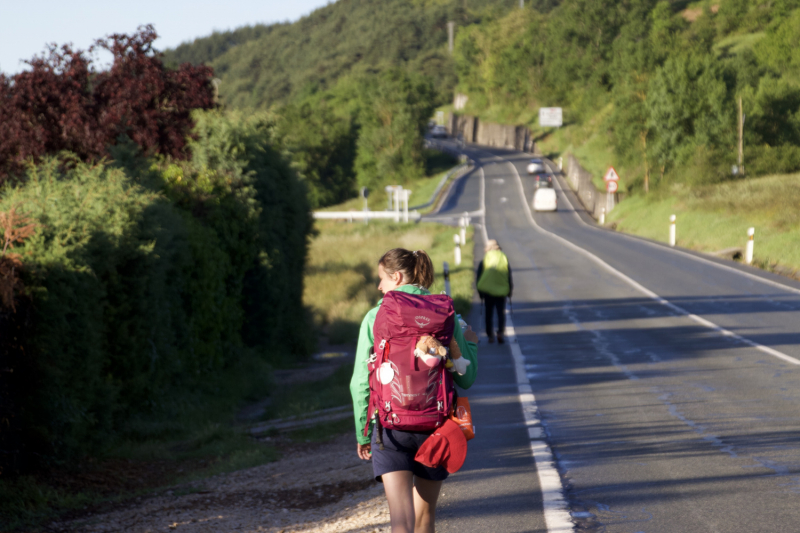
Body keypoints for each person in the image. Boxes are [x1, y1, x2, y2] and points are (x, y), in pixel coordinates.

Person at [350, 248, 478, 533]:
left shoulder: (375, 316)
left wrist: (363, 432)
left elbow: (360, 381)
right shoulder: (445, 312)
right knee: (424, 518)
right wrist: (471, 341)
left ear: (396, 276)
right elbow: (466, 377)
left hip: (390, 427)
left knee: (401, 521)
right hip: (436, 425)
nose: (379, 286)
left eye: (381, 279)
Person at [476, 239, 513, 344]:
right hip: (501, 290)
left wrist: (480, 292)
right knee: (500, 312)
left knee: (488, 313)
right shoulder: (503, 257)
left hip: (487, 291)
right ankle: (500, 332)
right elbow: (508, 274)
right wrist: (509, 289)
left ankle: (490, 336)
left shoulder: (485, 259)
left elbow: (479, 276)